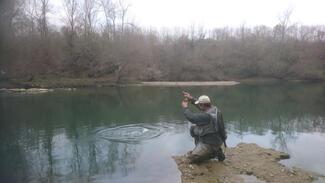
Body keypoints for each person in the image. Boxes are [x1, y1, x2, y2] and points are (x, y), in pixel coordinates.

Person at [181, 91, 227, 164]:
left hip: (210, 142)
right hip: (217, 139)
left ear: (203, 105)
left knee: (191, 159)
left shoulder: (206, 116)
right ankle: (211, 149)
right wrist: (191, 98)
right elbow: (201, 106)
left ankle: (213, 152)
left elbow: (191, 117)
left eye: (200, 104)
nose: (199, 106)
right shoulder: (214, 109)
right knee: (193, 129)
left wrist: (185, 108)